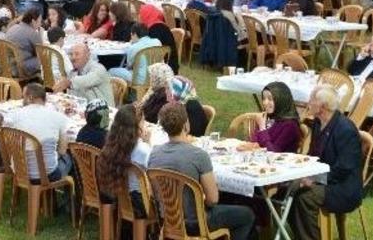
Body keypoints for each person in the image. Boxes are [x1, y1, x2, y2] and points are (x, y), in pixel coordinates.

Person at [148, 103, 255, 240]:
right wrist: (201, 199)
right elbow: (213, 199)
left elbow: (153, 192)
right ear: (186, 124)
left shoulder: (154, 153)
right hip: (195, 222)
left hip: (167, 220)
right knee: (247, 215)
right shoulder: (198, 155)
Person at [290, 85, 363, 240]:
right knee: (289, 187)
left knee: (305, 198)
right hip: (323, 179)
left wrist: (315, 179)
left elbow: (344, 168)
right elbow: (314, 155)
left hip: (343, 187)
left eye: (311, 100)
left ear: (322, 106)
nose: (308, 103)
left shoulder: (345, 129)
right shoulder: (318, 123)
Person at [4, 82, 73, 182]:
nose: (22, 100)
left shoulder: (13, 115)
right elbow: (62, 150)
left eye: (23, 96)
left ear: (30, 97)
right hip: (48, 174)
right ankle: (69, 196)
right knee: (69, 158)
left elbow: (6, 138)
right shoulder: (58, 117)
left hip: (20, 171)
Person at [98, 104, 153, 217]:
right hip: (140, 202)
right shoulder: (143, 150)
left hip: (118, 195)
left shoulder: (112, 146)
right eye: (143, 122)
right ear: (137, 127)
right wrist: (148, 143)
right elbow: (152, 171)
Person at [241, 82, 301, 153]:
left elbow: (273, 152)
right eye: (264, 98)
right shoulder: (268, 117)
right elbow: (255, 140)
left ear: (281, 100)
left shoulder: (290, 125)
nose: (265, 103)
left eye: (270, 99)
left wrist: (262, 128)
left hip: (281, 162)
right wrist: (250, 145)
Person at [107, 23, 162, 90]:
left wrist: (132, 44)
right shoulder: (157, 41)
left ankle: (120, 96)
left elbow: (129, 66)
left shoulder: (133, 47)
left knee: (111, 71)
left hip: (142, 80)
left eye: (131, 36)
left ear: (135, 34)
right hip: (157, 76)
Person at [138, 4, 179, 73]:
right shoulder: (158, 25)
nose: (140, 16)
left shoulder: (155, 29)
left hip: (165, 68)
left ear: (147, 15)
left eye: (141, 14)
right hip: (167, 64)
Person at [4, 7, 43, 77]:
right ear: (33, 21)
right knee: (46, 60)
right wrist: (40, 35)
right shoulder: (32, 33)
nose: (40, 24)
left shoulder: (13, 27)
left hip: (8, 65)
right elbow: (42, 52)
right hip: (21, 68)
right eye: (40, 21)